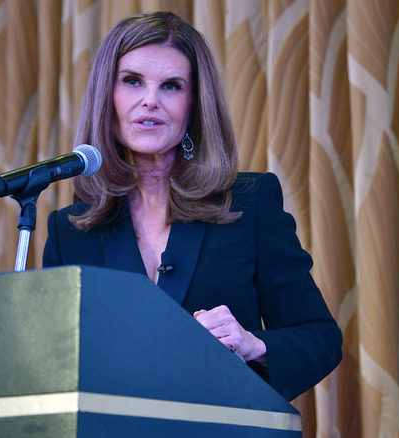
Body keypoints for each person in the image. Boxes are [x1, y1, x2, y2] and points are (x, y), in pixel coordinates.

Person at [42, 11, 342, 401]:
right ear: (107, 97)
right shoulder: (70, 231)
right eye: (132, 82)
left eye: (171, 86)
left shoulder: (250, 204)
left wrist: (253, 345)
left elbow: (319, 336)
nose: (150, 101)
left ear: (194, 105)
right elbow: (56, 364)